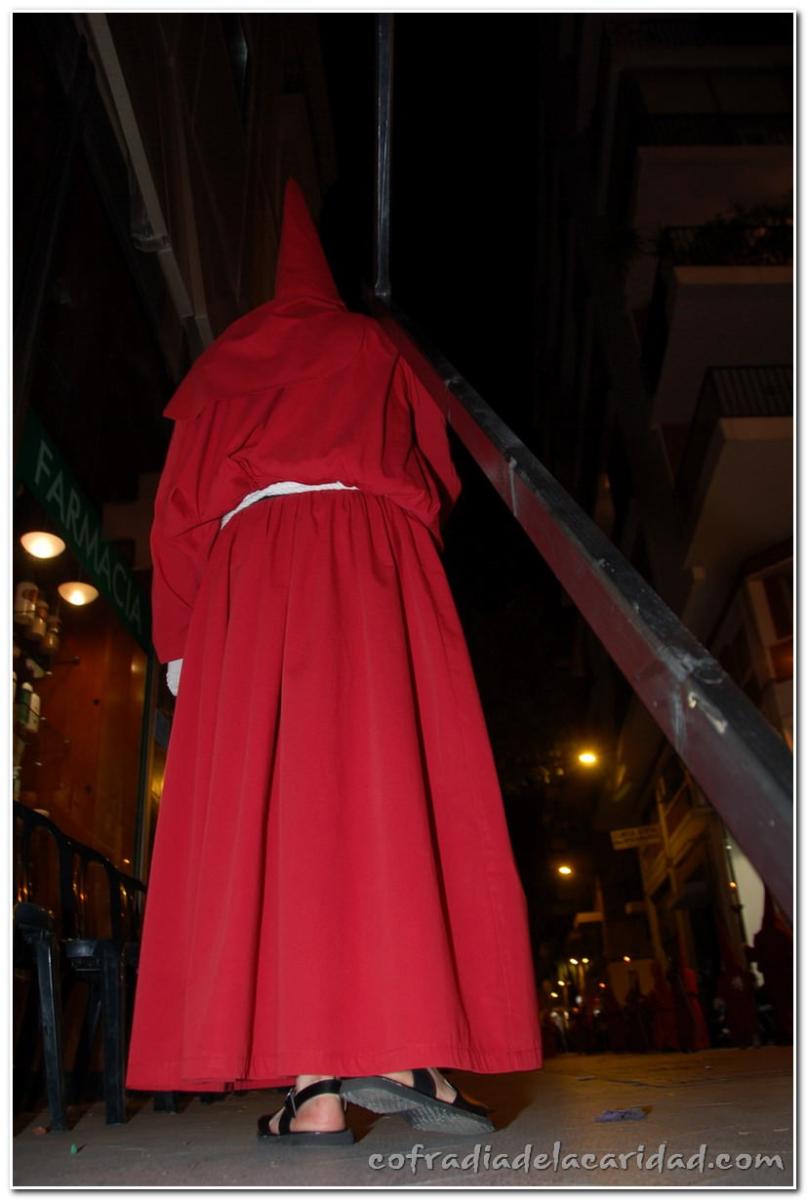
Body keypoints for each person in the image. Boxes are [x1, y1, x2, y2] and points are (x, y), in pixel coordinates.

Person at [124, 179, 543, 1144]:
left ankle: (314, 1091)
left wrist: (182, 644)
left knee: (283, 817)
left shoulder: (222, 371)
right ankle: (405, 1056)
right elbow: (432, 476)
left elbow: (177, 518)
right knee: (386, 800)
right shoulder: (376, 347)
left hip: (253, 577)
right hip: (372, 562)